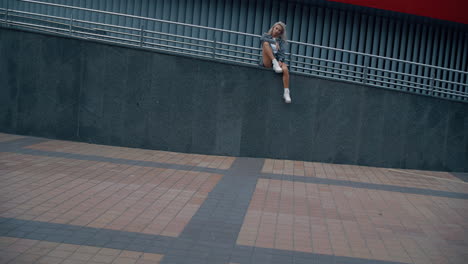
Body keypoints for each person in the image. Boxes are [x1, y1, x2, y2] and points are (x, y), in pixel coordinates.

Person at [260, 21, 291, 103]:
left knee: (285, 68)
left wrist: (280, 60)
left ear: (281, 32)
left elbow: (282, 53)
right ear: (273, 28)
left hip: (277, 61)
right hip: (268, 61)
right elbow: (262, 39)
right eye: (276, 28)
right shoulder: (266, 35)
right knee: (266, 44)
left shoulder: (281, 41)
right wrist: (274, 42)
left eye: (279, 30)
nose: (277, 31)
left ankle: (286, 92)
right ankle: (275, 63)